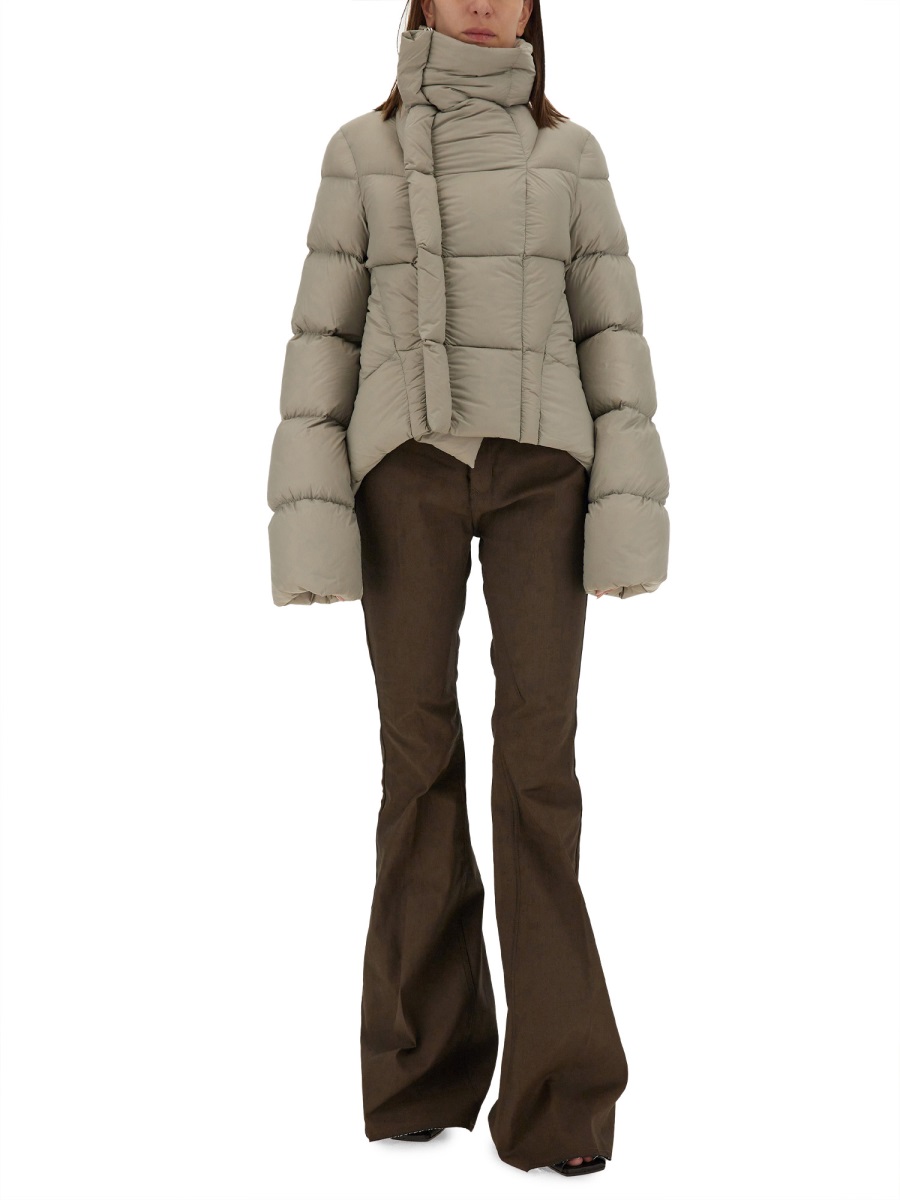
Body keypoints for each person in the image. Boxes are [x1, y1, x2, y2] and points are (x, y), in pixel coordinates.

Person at [265, 0, 670, 1178]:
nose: (486, 4)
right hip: (405, 474)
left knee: (539, 770)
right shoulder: (360, 151)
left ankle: (559, 1099)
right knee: (417, 762)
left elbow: (614, 342)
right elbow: (321, 345)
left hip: (546, 479)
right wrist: (310, 529)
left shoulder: (570, 155)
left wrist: (627, 519)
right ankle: (419, 1075)